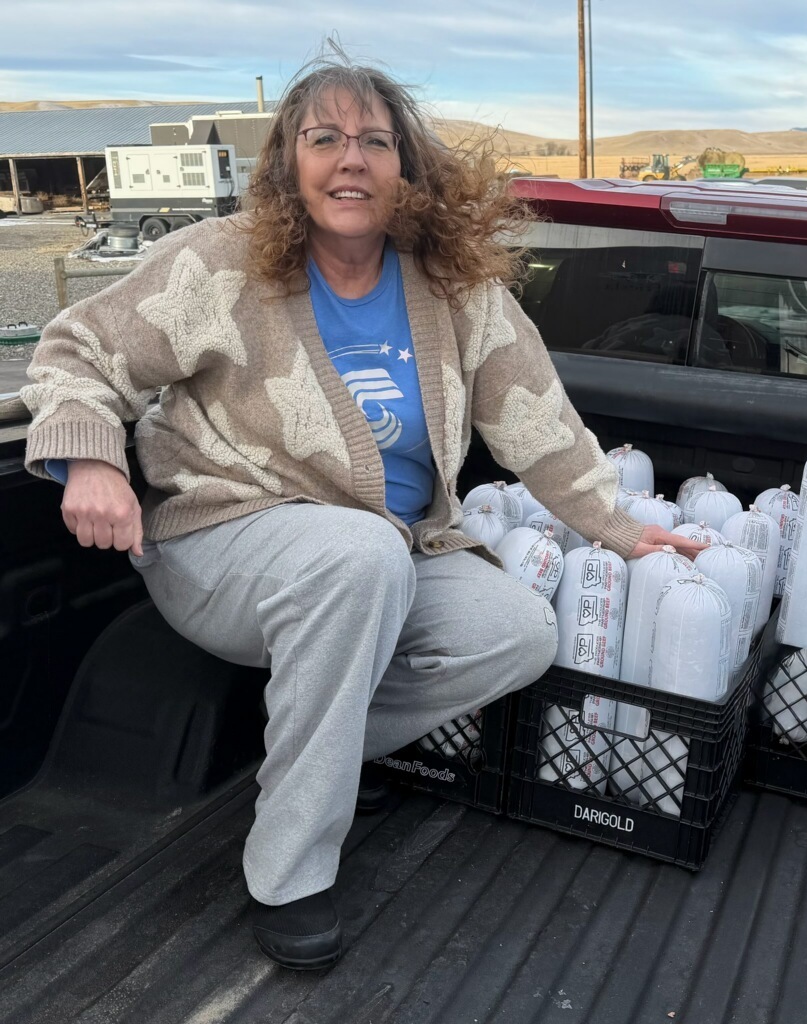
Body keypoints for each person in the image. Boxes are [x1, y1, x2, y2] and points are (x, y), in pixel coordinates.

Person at [20, 54, 704, 970]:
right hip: (219, 541)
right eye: (325, 139)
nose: (351, 160)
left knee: (514, 632)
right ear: (287, 164)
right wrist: (89, 463)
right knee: (354, 555)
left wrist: (617, 526)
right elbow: (79, 350)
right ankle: (289, 870)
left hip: (387, 550)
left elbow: (535, 414)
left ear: (407, 170)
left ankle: (324, 755)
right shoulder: (221, 262)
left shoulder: (452, 285)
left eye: (375, 142)